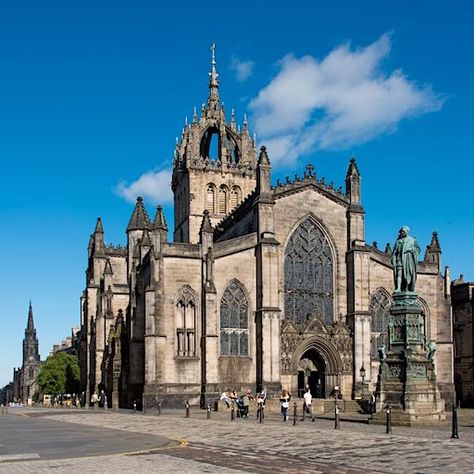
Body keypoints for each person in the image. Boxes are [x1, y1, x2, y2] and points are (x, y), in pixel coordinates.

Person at [391, 226, 420, 293]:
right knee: (399, 273)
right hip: (399, 259)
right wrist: (393, 258)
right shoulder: (398, 241)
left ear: (407, 231)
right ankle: (398, 288)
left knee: (407, 275)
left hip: (408, 260)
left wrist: (412, 250)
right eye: (401, 231)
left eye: (403, 231)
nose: (402, 232)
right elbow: (395, 251)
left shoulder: (412, 240)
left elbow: (417, 250)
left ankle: (407, 288)